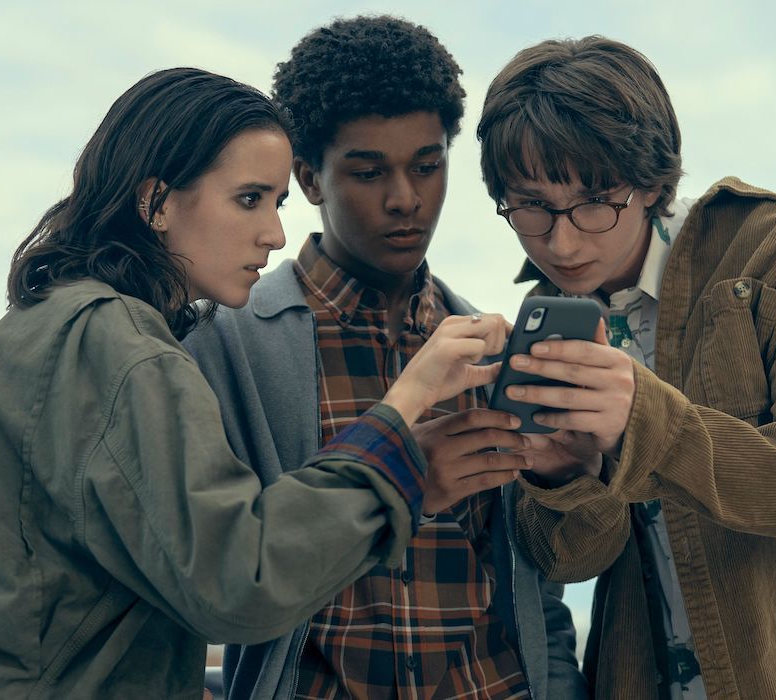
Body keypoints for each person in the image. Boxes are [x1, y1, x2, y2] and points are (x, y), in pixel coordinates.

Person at [0, 67, 513, 699]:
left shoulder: (57, 323)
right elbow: (238, 579)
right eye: (248, 200)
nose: (274, 234)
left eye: (276, 202)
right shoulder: (124, 349)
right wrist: (404, 414)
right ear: (156, 201)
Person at [475, 36, 776, 699]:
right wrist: (561, 476)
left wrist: (642, 418)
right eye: (530, 207)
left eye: (594, 201)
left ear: (652, 182)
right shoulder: (544, 316)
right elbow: (577, 558)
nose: (563, 239)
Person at [183, 16, 585, 700]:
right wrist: (397, 471)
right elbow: (218, 564)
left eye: (427, 166)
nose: (406, 199)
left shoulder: (485, 343)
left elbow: (532, 591)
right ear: (308, 179)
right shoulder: (229, 340)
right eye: (368, 172)